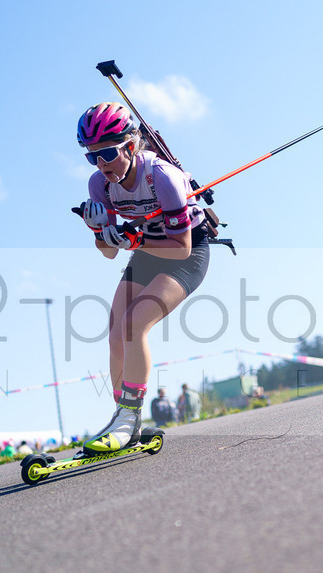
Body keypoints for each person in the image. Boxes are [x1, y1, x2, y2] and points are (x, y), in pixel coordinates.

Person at [74, 102, 213, 456]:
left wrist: (133, 241)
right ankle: (124, 420)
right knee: (115, 332)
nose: (100, 164)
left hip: (186, 253)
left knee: (133, 326)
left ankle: (128, 419)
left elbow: (181, 248)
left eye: (107, 154)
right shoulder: (100, 185)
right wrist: (99, 230)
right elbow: (108, 252)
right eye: (91, 157)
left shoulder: (162, 177)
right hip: (147, 250)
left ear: (131, 146)